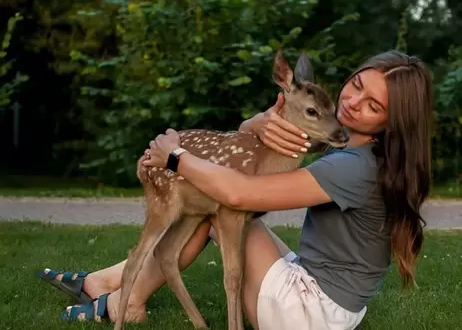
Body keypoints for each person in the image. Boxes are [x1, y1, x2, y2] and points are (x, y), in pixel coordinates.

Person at [37, 50, 433, 330]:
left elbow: (241, 192)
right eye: (357, 85)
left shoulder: (352, 167)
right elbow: (255, 150)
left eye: (372, 105)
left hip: (308, 314)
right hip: (330, 302)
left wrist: (173, 156)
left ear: (391, 122)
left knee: (218, 208)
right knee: (214, 200)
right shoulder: (354, 146)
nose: (352, 102)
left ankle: (123, 297)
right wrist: (253, 124)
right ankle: (107, 283)